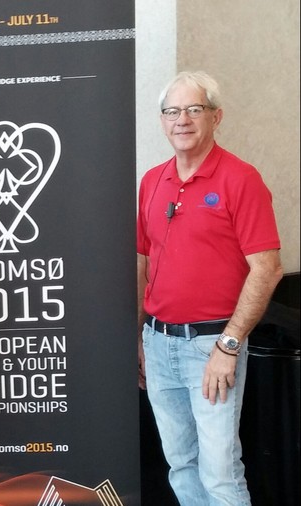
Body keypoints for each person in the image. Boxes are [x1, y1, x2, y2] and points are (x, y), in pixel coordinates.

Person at [136, 70, 283, 505]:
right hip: (158, 344)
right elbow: (143, 263)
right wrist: (139, 337)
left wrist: (228, 345)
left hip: (212, 347)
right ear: (162, 121)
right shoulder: (152, 181)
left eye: (194, 109)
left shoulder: (241, 179)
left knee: (219, 473)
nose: (182, 120)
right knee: (181, 464)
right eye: (172, 111)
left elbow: (267, 269)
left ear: (216, 117)